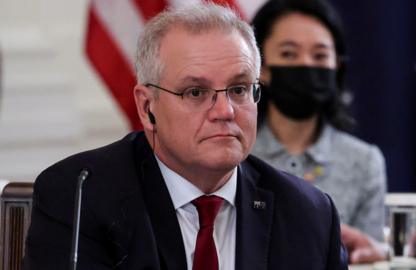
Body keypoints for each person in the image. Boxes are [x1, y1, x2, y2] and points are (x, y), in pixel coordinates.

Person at [22, 3, 348, 270]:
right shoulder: (81, 195)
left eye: (238, 89)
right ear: (147, 106)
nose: (225, 111)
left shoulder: (309, 214)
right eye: (195, 92)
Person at [250, 0, 388, 263]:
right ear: (262, 68)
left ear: (337, 66)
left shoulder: (365, 161)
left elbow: (369, 257)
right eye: (289, 54)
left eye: (320, 55)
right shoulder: (236, 152)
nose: (306, 64)